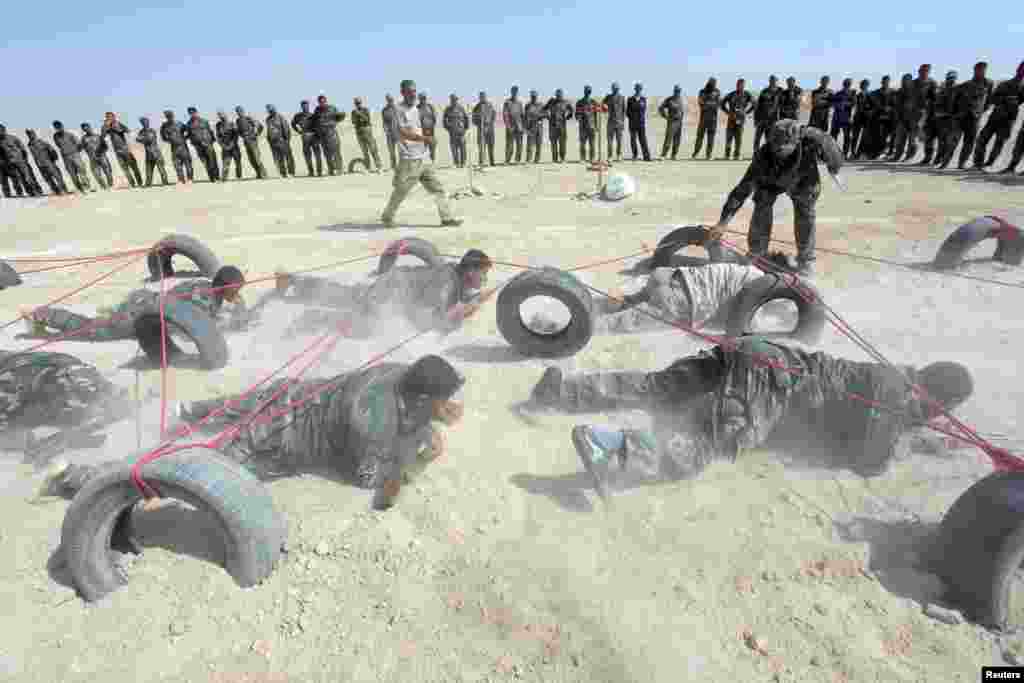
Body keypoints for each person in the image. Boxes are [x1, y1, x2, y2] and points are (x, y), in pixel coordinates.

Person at [526, 338, 974, 501]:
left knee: (659, 388)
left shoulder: (887, 379)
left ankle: (560, 392)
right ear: (934, 396)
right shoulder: (895, 397)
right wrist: (911, 432)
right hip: (772, 381)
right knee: (713, 442)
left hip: (758, 352)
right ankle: (613, 450)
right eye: (940, 408)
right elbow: (870, 461)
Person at [40, 354, 467, 511]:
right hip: (276, 438)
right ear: (421, 398)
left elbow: (406, 405)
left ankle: (172, 412)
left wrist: (427, 414)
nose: (450, 405)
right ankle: (74, 478)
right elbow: (369, 480)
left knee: (214, 411)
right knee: (189, 466)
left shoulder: (396, 373)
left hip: (288, 395)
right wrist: (419, 453)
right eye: (443, 399)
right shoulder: (376, 426)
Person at [707, 119, 845, 278]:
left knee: (805, 212)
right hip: (773, 180)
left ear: (796, 142)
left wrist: (821, 141)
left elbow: (836, 157)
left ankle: (805, 261)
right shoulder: (763, 157)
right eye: (775, 144)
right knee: (762, 203)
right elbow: (742, 190)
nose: (779, 148)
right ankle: (758, 254)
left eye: (785, 144)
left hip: (803, 181)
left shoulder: (809, 145)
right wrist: (723, 222)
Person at [269, 248, 492, 337]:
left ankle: (293, 281)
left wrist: (467, 301)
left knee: (347, 295)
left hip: (396, 281)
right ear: (469, 270)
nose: (484, 279)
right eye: (482, 273)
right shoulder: (446, 283)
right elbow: (424, 319)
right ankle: (314, 318)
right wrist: (460, 315)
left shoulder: (455, 275)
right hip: (391, 290)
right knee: (365, 324)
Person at [24, 265, 250, 342]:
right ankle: (41, 316)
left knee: (103, 322)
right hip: (139, 316)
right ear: (226, 286)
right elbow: (188, 327)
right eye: (237, 288)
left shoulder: (205, 285)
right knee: (91, 330)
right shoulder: (205, 300)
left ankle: (113, 313)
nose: (239, 292)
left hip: (145, 302)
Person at [1, 350, 135, 461]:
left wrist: (66, 438)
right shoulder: (13, 385)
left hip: (39, 380)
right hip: (22, 386)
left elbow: (121, 403)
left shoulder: (82, 377)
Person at [587, 261, 770, 334]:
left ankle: (587, 305)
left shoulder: (746, 270)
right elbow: (740, 330)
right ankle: (572, 329)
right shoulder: (760, 287)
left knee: (632, 301)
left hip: (667, 276)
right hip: (683, 300)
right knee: (622, 323)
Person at [380, 79, 463, 228]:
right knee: (402, 191)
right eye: (409, 91)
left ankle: (446, 217)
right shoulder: (398, 110)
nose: (413, 94)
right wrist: (425, 138)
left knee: (438, 188)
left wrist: (427, 140)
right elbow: (403, 132)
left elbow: (417, 129)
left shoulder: (415, 110)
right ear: (403, 93)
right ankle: (387, 217)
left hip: (423, 156)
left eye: (414, 91)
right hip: (409, 159)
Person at [973, 61, 1024, 170]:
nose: (1022, 72)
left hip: (1008, 120)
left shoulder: (1023, 88)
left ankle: (989, 164)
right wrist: (1005, 100)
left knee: (999, 143)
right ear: (1017, 70)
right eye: (1021, 69)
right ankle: (978, 163)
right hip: (995, 117)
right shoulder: (1004, 84)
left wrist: (1014, 102)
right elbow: (993, 98)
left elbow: (1020, 101)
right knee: (982, 139)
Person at [952, 61, 994, 170]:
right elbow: (955, 101)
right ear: (974, 70)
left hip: (975, 117)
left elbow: (989, 100)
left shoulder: (988, 83)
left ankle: (962, 163)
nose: (981, 71)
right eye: (979, 69)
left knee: (970, 141)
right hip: (961, 116)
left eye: (983, 69)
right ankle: (945, 161)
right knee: (954, 140)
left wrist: (981, 111)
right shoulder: (965, 85)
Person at [895, 64, 937, 163]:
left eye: (926, 71)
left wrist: (928, 113)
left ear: (929, 72)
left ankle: (909, 156)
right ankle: (897, 155)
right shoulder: (913, 83)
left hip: (921, 115)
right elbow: (904, 96)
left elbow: (934, 99)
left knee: (913, 138)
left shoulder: (932, 83)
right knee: (900, 136)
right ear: (919, 71)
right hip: (907, 113)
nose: (923, 73)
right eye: (922, 71)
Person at [924, 71, 959, 168]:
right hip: (940, 119)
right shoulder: (941, 90)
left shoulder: (959, 90)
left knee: (948, 143)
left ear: (955, 79)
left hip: (952, 120)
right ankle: (938, 159)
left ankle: (944, 162)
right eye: (949, 78)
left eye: (953, 78)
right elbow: (935, 103)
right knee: (941, 141)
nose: (951, 80)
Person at [101, 113, 143, 187]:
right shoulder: (106, 127)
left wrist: (114, 127)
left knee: (134, 166)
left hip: (125, 149)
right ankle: (132, 183)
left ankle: (140, 182)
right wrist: (106, 126)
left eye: (110, 117)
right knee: (124, 168)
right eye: (107, 117)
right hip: (117, 151)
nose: (109, 119)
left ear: (114, 117)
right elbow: (103, 136)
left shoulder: (118, 124)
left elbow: (127, 130)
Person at [0, 126, 43, 197]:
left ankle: (37, 191)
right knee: (21, 178)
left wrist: (25, 159)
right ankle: (30, 192)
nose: (0, 132)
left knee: (28, 176)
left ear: (4, 130)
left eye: (1, 130)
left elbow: (22, 147)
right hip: (11, 163)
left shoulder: (13, 138)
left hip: (20, 161)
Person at [25, 129, 69, 195]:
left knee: (57, 176)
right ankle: (55, 190)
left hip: (48, 162)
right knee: (47, 179)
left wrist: (53, 158)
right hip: (40, 165)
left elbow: (51, 149)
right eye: (29, 134)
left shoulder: (42, 142)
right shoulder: (29, 145)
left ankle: (63, 189)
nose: (31, 135)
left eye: (32, 133)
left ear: (34, 133)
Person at [52, 121, 92, 193]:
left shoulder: (70, 134)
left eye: (59, 126)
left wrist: (76, 152)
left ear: (62, 126)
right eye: (56, 127)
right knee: (72, 173)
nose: (58, 128)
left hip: (75, 154)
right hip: (66, 157)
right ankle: (79, 188)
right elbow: (58, 145)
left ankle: (87, 186)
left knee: (81, 170)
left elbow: (79, 144)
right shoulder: (55, 136)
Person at [720, 79, 755, 160]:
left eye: (742, 85)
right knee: (729, 137)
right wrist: (728, 112)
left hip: (741, 120)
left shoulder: (747, 94)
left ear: (744, 85)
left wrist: (746, 112)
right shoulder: (731, 94)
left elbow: (754, 104)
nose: (740, 86)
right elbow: (722, 104)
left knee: (738, 138)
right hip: (731, 119)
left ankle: (737, 155)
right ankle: (727, 155)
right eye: (738, 84)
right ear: (736, 85)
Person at [864, 76, 896, 160]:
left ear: (889, 82)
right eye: (884, 81)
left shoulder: (893, 93)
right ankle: (877, 153)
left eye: (887, 82)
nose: (886, 83)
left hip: (890, 118)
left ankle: (890, 152)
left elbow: (897, 104)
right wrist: (872, 110)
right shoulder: (875, 93)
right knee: (878, 136)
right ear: (881, 82)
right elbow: (868, 105)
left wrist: (890, 109)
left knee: (891, 136)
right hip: (878, 118)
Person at [312, 94, 346, 175]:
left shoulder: (332, 108)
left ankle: (339, 169)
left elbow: (339, 116)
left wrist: (333, 123)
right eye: (320, 102)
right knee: (327, 154)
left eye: (323, 101)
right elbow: (314, 121)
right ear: (318, 102)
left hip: (332, 134)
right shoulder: (317, 110)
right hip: (322, 136)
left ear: (326, 101)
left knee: (336, 152)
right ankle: (331, 169)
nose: (322, 103)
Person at [185, 108, 220, 182]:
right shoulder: (188, 124)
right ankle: (211, 178)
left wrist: (212, 141)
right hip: (198, 146)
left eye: (193, 112)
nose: (192, 114)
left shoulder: (204, 121)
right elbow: (188, 134)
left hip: (207, 144)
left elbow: (210, 131)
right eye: (190, 113)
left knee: (212, 160)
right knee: (205, 162)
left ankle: (217, 177)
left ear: (196, 112)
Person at [888, 73, 917, 161]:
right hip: (901, 118)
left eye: (906, 80)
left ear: (910, 81)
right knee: (900, 139)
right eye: (903, 80)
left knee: (912, 140)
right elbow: (896, 104)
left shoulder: (916, 91)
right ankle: (897, 156)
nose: (904, 81)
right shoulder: (900, 91)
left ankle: (909, 156)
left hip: (913, 119)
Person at [160, 111, 194, 183]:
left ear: (173, 116)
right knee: (177, 165)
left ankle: (190, 179)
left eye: (170, 116)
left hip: (183, 146)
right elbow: (163, 136)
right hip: (174, 148)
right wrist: (170, 139)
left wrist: (185, 138)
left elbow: (189, 130)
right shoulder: (164, 126)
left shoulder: (179, 124)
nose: (169, 117)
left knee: (187, 163)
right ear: (166, 117)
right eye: (168, 116)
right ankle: (181, 180)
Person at [135, 117, 170, 186]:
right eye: (143, 122)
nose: (145, 123)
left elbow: (149, 139)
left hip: (156, 153)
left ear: (148, 123)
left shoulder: (151, 130)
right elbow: (137, 139)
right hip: (148, 154)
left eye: (145, 122)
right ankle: (148, 183)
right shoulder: (141, 131)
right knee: (148, 170)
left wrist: (142, 138)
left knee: (161, 169)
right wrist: (142, 139)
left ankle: (165, 182)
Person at [351, 97, 383, 173]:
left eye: (359, 103)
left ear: (361, 103)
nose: (358, 104)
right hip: (359, 131)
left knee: (373, 149)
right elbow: (353, 122)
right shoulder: (353, 112)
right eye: (356, 103)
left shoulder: (365, 110)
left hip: (367, 130)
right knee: (364, 151)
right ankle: (368, 167)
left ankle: (379, 166)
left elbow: (367, 119)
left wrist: (359, 114)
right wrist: (355, 117)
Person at [234, 106, 267, 179]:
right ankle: (258, 174)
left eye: (240, 111)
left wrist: (256, 134)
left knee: (257, 158)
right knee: (251, 159)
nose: (239, 112)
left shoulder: (249, 118)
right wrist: (242, 135)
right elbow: (239, 131)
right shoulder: (238, 121)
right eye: (238, 111)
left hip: (253, 142)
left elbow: (260, 126)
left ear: (243, 111)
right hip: (246, 142)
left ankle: (264, 174)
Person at [292, 100, 323, 177]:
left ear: (308, 106)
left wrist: (318, 136)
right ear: (301, 107)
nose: (305, 107)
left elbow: (318, 125)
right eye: (303, 106)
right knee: (307, 156)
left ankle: (319, 172)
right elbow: (293, 124)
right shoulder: (298, 116)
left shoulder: (313, 115)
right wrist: (298, 131)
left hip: (314, 137)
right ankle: (311, 171)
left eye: (306, 105)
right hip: (305, 137)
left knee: (317, 155)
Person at [692, 78, 721, 160]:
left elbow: (718, 104)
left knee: (711, 138)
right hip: (703, 119)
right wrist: (711, 104)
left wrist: (708, 104)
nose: (713, 85)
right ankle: (695, 153)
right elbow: (700, 103)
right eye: (712, 83)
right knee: (700, 137)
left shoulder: (717, 92)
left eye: (714, 83)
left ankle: (708, 154)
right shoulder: (702, 91)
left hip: (713, 119)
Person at [753, 76, 782, 152]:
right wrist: (756, 119)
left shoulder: (780, 91)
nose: (773, 82)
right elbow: (758, 106)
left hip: (773, 119)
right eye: (771, 80)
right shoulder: (764, 91)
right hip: (762, 118)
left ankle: (768, 154)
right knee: (757, 137)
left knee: (769, 138)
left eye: (774, 81)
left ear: (777, 81)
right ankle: (755, 152)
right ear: (769, 81)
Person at [543, 89, 573, 163]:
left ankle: (562, 158)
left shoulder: (566, 102)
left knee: (562, 143)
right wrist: (547, 116)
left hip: (562, 125)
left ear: (562, 95)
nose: (559, 96)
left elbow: (571, 110)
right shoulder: (551, 101)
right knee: (553, 143)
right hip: (552, 125)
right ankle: (555, 159)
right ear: (556, 95)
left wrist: (568, 117)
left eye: (560, 94)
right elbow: (544, 109)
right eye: (558, 94)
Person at [265, 104, 295, 178]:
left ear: (274, 109)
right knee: (279, 159)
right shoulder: (268, 119)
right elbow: (269, 130)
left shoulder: (280, 117)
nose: (270, 111)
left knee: (288, 157)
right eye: (269, 110)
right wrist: (269, 140)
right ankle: (283, 173)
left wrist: (287, 140)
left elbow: (286, 128)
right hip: (273, 142)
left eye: (271, 109)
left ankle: (291, 172)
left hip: (282, 140)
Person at [80, 123, 113, 190]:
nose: (86, 129)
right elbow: (82, 147)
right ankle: (104, 187)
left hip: (102, 157)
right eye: (84, 129)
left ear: (90, 127)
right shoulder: (83, 138)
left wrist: (101, 152)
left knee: (107, 172)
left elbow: (106, 146)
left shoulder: (98, 136)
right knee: (96, 174)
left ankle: (110, 185)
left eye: (87, 128)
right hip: (92, 159)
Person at [829, 78, 856, 157]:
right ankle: (833, 153)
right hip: (837, 118)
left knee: (847, 137)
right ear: (843, 84)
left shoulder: (852, 94)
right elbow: (833, 103)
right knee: (833, 137)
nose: (847, 85)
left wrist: (845, 104)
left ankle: (845, 154)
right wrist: (839, 104)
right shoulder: (838, 93)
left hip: (846, 119)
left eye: (848, 83)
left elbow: (854, 103)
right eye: (846, 83)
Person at [443, 94, 470, 169]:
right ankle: (456, 163)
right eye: (452, 99)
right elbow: (445, 120)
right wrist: (449, 129)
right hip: (452, 132)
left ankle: (463, 162)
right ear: (450, 100)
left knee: (463, 148)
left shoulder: (461, 108)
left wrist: (465, 129)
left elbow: (466, 118)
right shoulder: (448, 109)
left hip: (461, 131)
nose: (454, 101)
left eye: (455, 99)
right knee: (454, 148)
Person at [658, 85, 685, 160]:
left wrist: (681, 117)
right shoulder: (669, 100)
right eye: (676, 91)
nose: (678, 92)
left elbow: (682, 110)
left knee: (677, 139)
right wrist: (665, 116)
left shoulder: (681, 99)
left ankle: (674, 155)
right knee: (668, 138)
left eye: (679, 91)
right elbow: (661, 108)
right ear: (674, 91)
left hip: (679, 122)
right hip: (672, 121)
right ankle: (663, 155)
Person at [215, 110, 243, 181]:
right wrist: (222, 145)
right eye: (219, 115)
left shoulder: (232, 123)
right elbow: (218, 137)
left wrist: (232, 144)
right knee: (225, 163)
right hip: (225, 147)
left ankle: (239, 177)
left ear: (225, 115)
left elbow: (236, 135)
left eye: (222, 114)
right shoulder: (218, 125)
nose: (221, 116)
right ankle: (224, 178)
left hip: (234, 147)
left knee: (238, 162)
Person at [627, 83, 651, 162]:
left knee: (643, 140)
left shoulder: (643, 99)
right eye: (637, 88)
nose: (638, 90)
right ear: (635, 89)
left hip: (641, 123)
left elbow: (644, 110)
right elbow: (627, 112)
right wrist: (632, 118)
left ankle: (646, 156)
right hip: (632, 123)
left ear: (641, 89)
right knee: (633, 140)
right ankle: (635, 155)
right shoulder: (630, 99)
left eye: (639, 88)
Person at [574, 86, 600, 163]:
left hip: (592, 126)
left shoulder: (594, 102)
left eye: (589, 91)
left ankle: (592, 158)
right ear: (584, 92)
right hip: (583, 126)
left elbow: (597, 114)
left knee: (592, 144)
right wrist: (578, 117)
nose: (588, 92)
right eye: (586, 91)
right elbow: (576, 114)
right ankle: (582, 158)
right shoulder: (579, 102)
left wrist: (597, 126)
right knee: (583, 143)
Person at [602, 82, 626, 162]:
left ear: (618, 89)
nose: (615, 89)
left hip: (619, 122)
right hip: (610, 122)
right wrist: (604, 106)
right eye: (614, 88)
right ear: (612, 89)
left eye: (616, 88)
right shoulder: (608, 97)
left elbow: (623, 111)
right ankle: (610, 156)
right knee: (610, 141)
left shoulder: (622, 98)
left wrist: (622, 122)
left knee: (619, 141)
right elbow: (602, 106)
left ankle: (619, 155)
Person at [472, 91, 497, 167]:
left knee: (491, 146)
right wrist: (479, 124)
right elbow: (474, 119)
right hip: (481, 130)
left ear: (486, 97)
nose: (482, 98)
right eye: (481, 96)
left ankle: (492, 162)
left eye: (484, 96)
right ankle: (481, 162)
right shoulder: (476, 107)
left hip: (490, 129)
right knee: (481, 146)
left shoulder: (490, 105)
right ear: (479, 97)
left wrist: (490, 123)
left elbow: (494, 115)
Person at [849, 79, 872, 159]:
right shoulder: (857, 95)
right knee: (855, 136)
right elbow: (853, 106)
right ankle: (853, 153)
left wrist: (868, 111)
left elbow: (873, 106)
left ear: (867, 86)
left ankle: (860, 153)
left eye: (865, 85)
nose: (863, 86)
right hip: (857, 118)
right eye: (862, 84)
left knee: (864, 137)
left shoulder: (870, 95)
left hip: (866, 118)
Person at [502, 86, 525, 164]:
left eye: (516, 92)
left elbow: (522, 116)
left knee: (519, 145)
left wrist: (523, 127)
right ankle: (507, 160)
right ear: (511, 92)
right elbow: (505, 115)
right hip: (510, 127)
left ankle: (517, 160)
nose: (515, 93)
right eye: (514, 91)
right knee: (509, 145)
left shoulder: (519, 103)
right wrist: (508, 126)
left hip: (519, 127)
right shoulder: (507, 102)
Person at [523, 90, 546, 164]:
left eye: (535, 96)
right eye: (532, 96)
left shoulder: (541, 105)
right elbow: (525, 117)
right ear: (531, 97)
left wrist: (539, 116)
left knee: (539, 144)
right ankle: (528, 159)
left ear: (537, 96)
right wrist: (525, 128)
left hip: (539, 127)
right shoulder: (528, 105)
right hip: (531, 127)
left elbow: (546, 114)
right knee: (529, 144)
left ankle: (537, 159)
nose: (534, 98)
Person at [417, 93, 438, 163]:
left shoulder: (430, 107)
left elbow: (435, 117)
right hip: (421, 130)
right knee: (421, 147)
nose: (423, 100)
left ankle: (433, 161)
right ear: (419, 99)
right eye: (421, 98)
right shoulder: (417, 108)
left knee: (432, 145)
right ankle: (420, 162)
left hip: (430, 129)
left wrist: (432, 124)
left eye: (424, 98)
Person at [381, 95, 400, 171]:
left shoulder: (398, 108)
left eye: (391, 100)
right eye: (389, 100)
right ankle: (393, 166)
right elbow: (384, 122)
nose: (390, 101)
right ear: (387, 100)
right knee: (391, 151)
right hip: (389, 133)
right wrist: (386, 130)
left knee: (401, 150)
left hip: (398, 132)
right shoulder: (384, 110)